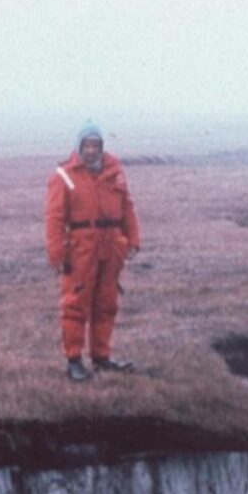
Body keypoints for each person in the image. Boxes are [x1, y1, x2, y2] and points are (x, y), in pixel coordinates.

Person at [44, 124, 141, 381]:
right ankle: (74, 360)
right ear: (79, 147)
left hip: (111, 247)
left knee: (106, 305)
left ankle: (101, 357)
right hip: (80, 249)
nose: (91, 151)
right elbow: (54, 219)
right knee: (75, 305)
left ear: (101, 148)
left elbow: (127, 207)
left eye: (95, 146)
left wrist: (133, 239)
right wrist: (57, 256)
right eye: (86, 146)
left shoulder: (115, 173)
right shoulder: (63, 176)